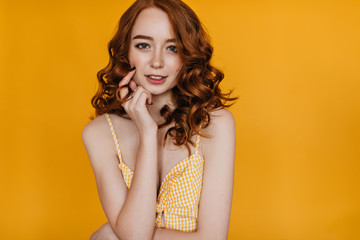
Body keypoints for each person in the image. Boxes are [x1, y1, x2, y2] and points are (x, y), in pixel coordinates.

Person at [82, 0, 236, 239]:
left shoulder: (214, 124)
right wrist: (146, 133)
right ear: (126, 52)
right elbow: (134, 236)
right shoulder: (99, 133)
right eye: (143, 45)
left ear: (189, 54)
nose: (157, 62)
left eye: (172, 48)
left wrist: (111, 234)